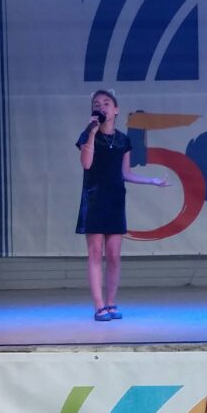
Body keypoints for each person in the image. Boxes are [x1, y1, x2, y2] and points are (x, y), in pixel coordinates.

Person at [76, 89, 168, 321]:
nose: (102, 107)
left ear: (116, 110)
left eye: (106, 103)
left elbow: (125, 173)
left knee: (114, 255)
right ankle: (99, 306)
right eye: (97, 104)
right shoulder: (88, 135)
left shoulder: (123, 140)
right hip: (94, 199)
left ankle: (111, 303)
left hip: (115, 198)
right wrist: (91, 133)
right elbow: (86, 164)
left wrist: (152, 181)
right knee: (95, 252)